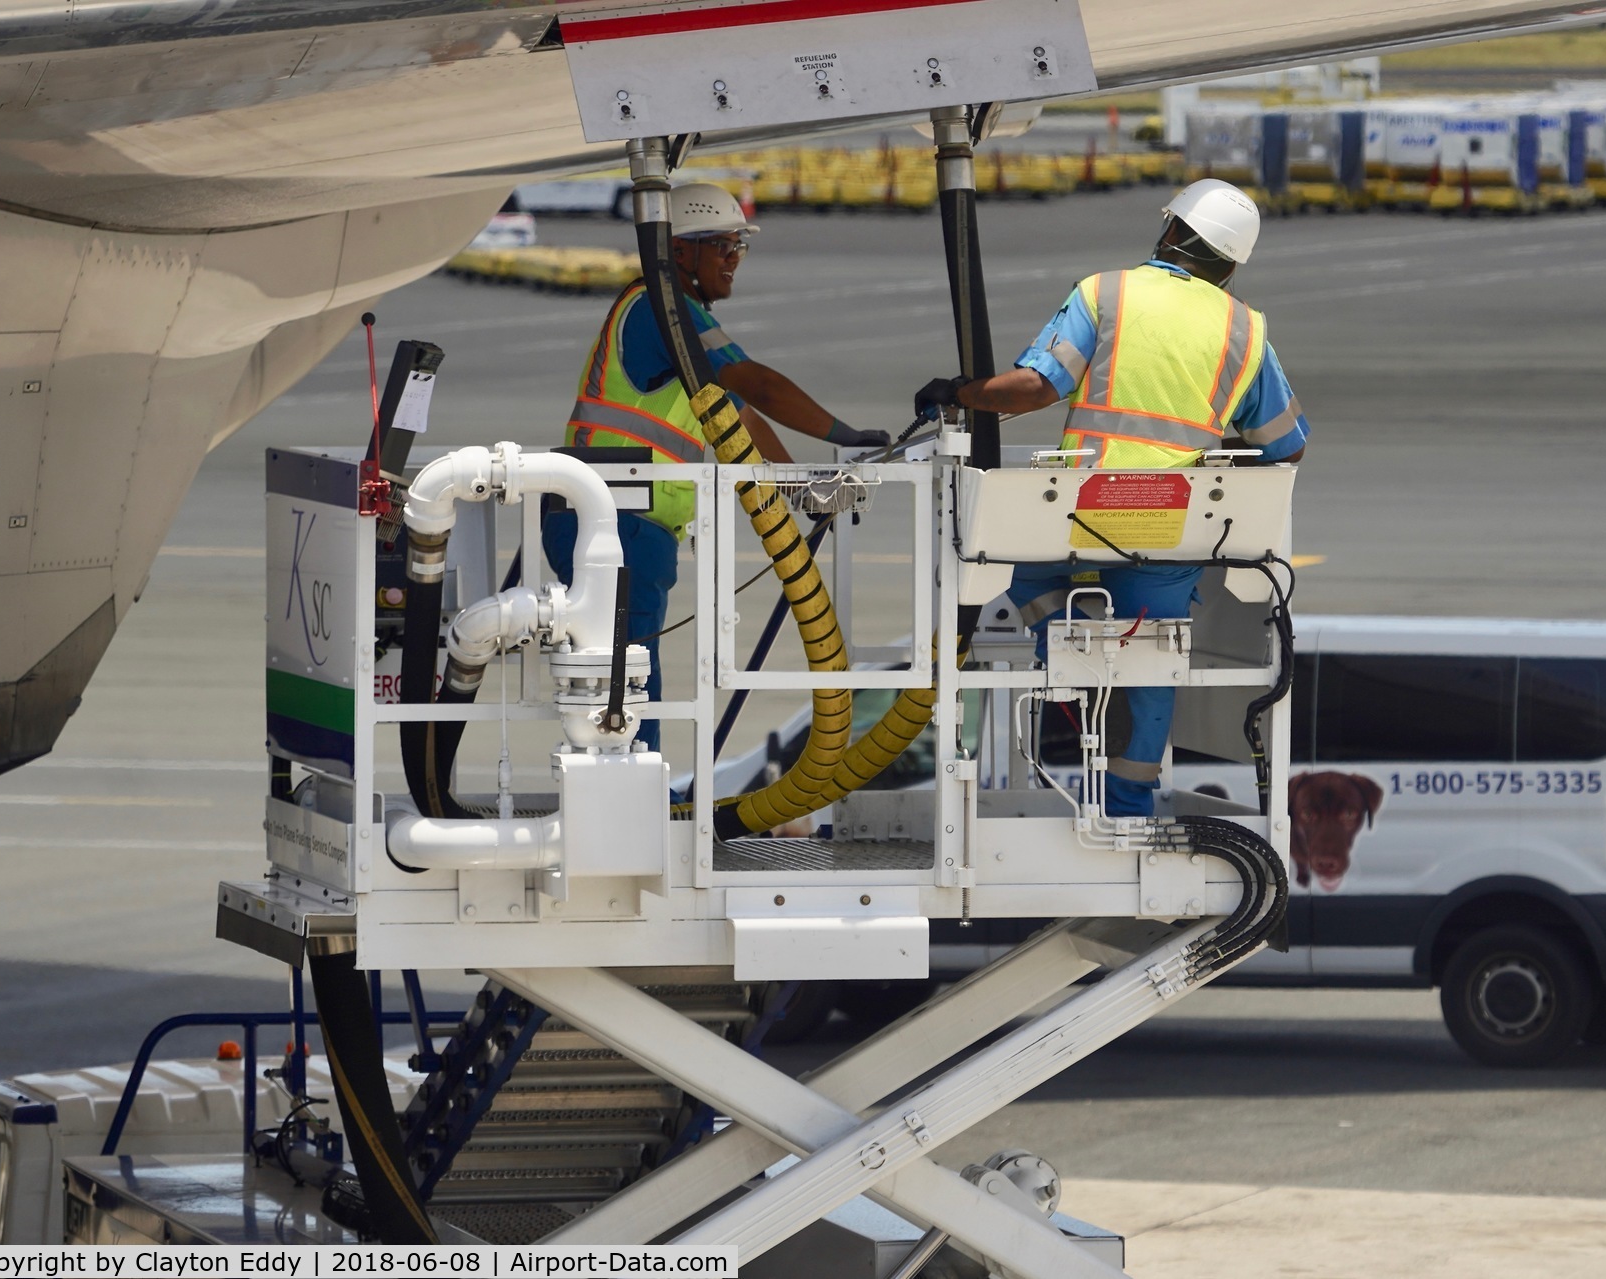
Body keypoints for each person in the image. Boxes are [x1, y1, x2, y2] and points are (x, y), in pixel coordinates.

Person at [912, 178, 1309, 816]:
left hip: (1087, 512)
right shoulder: (1245, 330)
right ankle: (1127, 803)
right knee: (1153, 656)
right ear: (1232, 262)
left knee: (1011, 562)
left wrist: (960, 393)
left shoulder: (1107, 293)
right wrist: (1210, 465)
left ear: (1173, 231)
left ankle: (1069, 648)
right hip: (1174, 523)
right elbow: (1285, 444)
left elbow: (1035, 388)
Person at [545, 183, 887, 752]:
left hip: (626, 522)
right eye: (723, 246)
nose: (734, 260)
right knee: (628, 676)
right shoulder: (665, 311)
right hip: (614, 520)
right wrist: (843, 434)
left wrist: (803, 490)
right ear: (680, 251)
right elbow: (759, 384)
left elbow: (742, 419)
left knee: (631, 670)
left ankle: (637, 790)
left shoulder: (678, 327)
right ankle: (635, 799)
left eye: (739, 247)